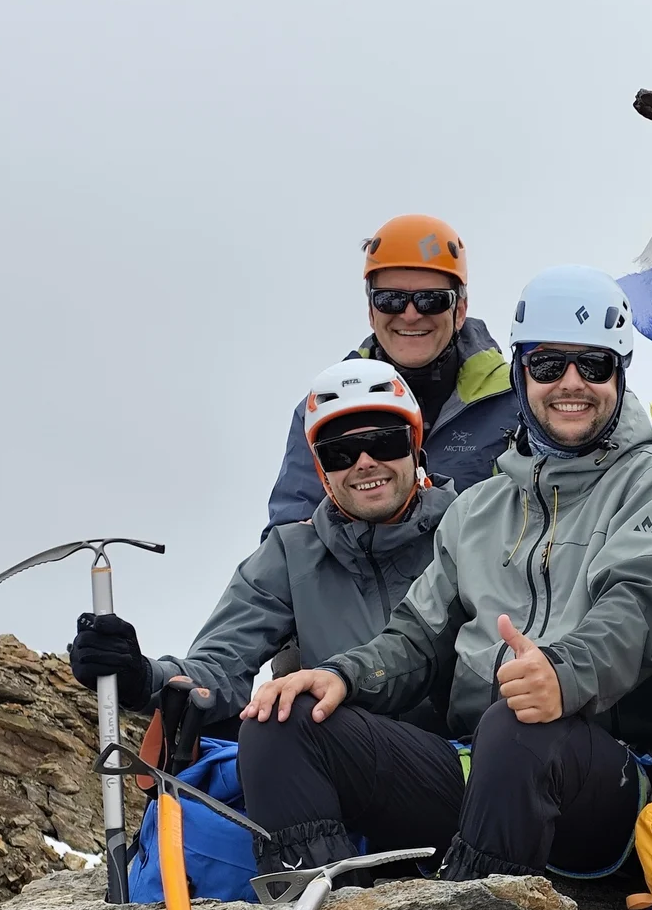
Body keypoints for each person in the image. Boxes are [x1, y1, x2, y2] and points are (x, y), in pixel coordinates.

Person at [238, 265, 652, 881]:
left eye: (593, 365)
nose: (571, 384)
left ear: (620, 374)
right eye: (547, 365)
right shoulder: (478, 507)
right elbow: (414, 638)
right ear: (519, 374)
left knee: (523, 719)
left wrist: (560, 676)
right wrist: (341, 677)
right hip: (474, 766)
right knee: (285, 718)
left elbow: (637, 612)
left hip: (604, 781)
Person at [67, 359, 459, 865]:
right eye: (340, 452)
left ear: (415, 445)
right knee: (275, 714)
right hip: (350, 776)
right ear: (321, 469)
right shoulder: (289, 556)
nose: (364, 462)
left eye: (384, 442)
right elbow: (217, 668)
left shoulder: (472, 526)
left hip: (464, 769)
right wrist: (140, 675)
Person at [263, 213, 515, 531]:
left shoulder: (517, 403)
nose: (410, 315)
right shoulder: (320, 413)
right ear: (371, 311)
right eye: (391, 299)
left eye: (431, 300)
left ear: (460, 310)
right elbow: (289, 540)